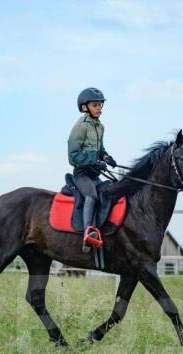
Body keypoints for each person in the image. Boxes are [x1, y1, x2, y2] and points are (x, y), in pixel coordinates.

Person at [67, 87, 117, 253]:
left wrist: (106, 158)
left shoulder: (100, 127)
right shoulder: (80, 127)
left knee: (109, 192)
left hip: (95, 174)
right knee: (92, 196)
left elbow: (100, 149)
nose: (99, 109)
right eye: (95, 105)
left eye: (100, 105)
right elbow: (73, 156)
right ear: (84, 107)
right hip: (82, 175)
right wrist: (94, 161)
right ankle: (88, 234)